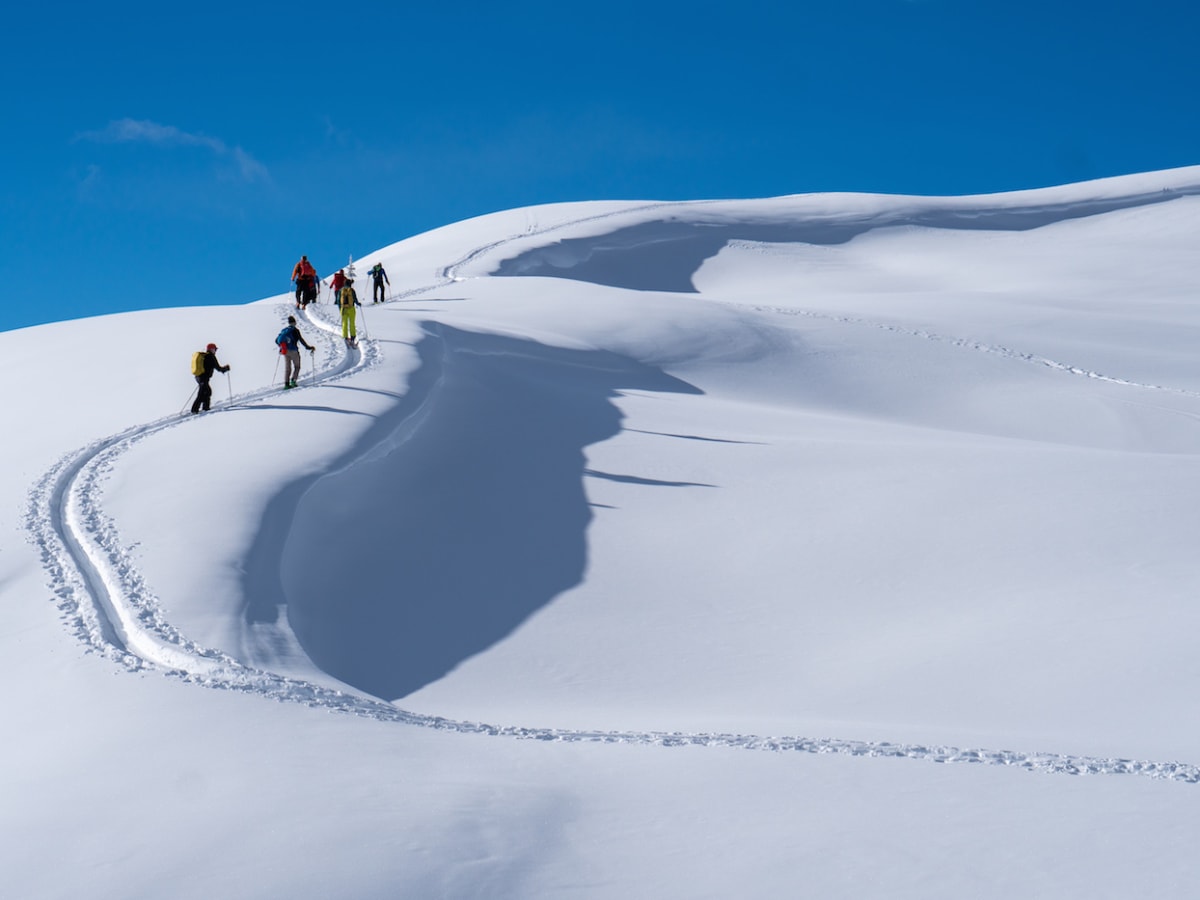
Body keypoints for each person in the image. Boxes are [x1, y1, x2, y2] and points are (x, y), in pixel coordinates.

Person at [275, 315, 315, 389]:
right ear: (294, 322)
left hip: (285, 351)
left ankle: (286, 384)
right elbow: (301, 340)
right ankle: (293, 381)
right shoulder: (295, 330)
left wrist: (282, 347)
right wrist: (308, 347)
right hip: (294, 351)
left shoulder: (284, 331)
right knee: (297, 366)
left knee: (287, 368)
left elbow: (276, 340)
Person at [192, 343, 231, 414]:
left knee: (207, 392)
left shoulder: (204, 356)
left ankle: (205, 407)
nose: (215, 351)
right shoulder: (211, 357)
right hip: (203, 378)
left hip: (199, 377)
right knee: (202, 393)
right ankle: (195, 410)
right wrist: (226, 369)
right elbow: (219, 368)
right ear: (211, 349)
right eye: (215, 349)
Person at [338, 278, 361, 346]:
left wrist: (340, 309)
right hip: (351, 308)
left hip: (343, 309)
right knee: (352, 323)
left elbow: (338, 300)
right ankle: (352, 338)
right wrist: (358, 303)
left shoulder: (341, 290)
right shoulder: (352, 290)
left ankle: (345, 337)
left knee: (344, 323)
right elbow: (355, 299)